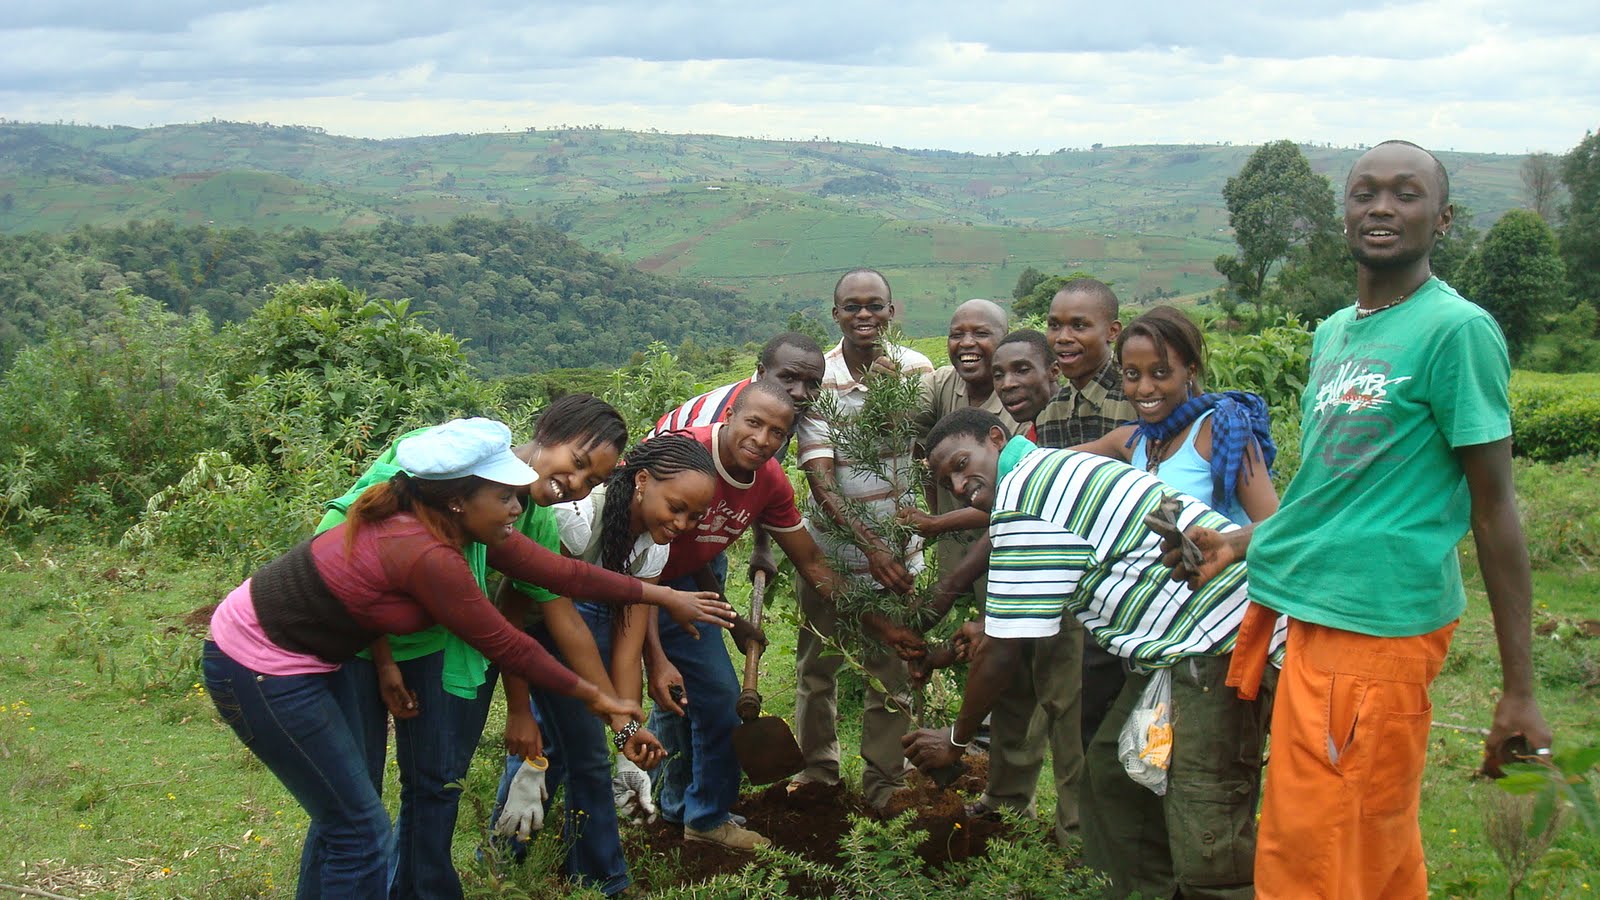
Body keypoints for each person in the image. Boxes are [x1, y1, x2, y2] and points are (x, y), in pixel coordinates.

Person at [1166, 140, 1551, 899]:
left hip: (1375, 629)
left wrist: (1521, 688)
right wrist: (1244, 542)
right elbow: (1332, 491)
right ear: (1342, 212)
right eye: (1364, 191)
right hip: (1314, 614)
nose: (1381, 206)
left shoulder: (1456, 330)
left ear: (1441, 220)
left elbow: (1495, 507)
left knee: (1318, 858)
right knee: (1365, 846)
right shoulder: (1337, 330)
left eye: (1406, 194)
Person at [201, 418, 734, 897]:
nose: (515, 506)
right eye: (503, 495)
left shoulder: (459, 525)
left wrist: (662, 596)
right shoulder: (429, 554)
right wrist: (602, 700)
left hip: (311, 658)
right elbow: (510, 644)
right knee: (359, 831)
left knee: (349, 819)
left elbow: (565, 576)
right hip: (259, 664)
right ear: (460, 498)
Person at [902, 408, 1275, 899]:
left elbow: (1002, 651)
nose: (956, 483)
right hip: (1179, 652)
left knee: (1206, 819)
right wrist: (951, 647)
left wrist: (956, 738)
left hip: (1220, 649)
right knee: (1112, 778)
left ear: (996, 438)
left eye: (960, 463)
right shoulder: (1047, 474)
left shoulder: (1023, 495)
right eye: (944, 477)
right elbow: (1016, 617)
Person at [312, 396, 629, 899]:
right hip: (358, 646)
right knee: (354, 800)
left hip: (441, 651)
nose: (577, 484)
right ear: (547, 432)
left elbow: (559, 606)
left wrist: (618, 714)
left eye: (592, 482)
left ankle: (416, 890)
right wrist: (384, 658)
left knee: (438, 785)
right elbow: (350, 556)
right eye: (578, 464)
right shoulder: (439, 464)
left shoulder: (533, 518)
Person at [494, 433, 718, 895]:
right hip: (538, 634)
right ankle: (598, 880)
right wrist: (610, 725)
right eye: (676, 507)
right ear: (641, 481)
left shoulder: (653, 548)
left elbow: (625, 643)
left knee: (564, 752)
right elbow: (518, 609)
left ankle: (509, 864)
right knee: (582, 755)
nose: (682, 523)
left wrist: (628, 732)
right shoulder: (576, 519)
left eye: (694, 517)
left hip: (579, 638)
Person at [645, 381, 854, 849]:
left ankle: (698, 816)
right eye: (753, 423)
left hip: (680, 586)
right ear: (729, 415)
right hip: (613, 583)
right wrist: (656, 655)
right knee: (570, 715)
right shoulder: (681, 456)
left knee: (705, 699)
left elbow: (811, 561)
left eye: (776, 433)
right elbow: (635, 550)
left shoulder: (770, 480)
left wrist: (872, 619)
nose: (762, 440)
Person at [794, 267, 934, 810]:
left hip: (901, 555)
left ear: (891, 312)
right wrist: (867, 545)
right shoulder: (818, 378)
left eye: (875, 305)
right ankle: (818, 771)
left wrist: (895, 543)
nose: (865, 315)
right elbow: (821, 480)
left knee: (891, 671)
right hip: (828, 553)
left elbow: (926, 446)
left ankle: (884, 783)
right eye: (852, 307)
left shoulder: (915, 369)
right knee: (816, 667)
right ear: (836, 316)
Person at [1072, 306, 1279, 526]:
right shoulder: (1133, 441)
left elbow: (1275, 528)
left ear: (1190, 371)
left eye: (1160, 372)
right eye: (1132, 374)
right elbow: (1047, 460)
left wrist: (1226, 545)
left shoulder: (1221, 432)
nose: (1144, 388)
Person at [646, 332, 826, 438]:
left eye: (812, 384)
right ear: (762, 373)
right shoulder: (721, 416)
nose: (801, 393)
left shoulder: (784, 408)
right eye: (788, 378)